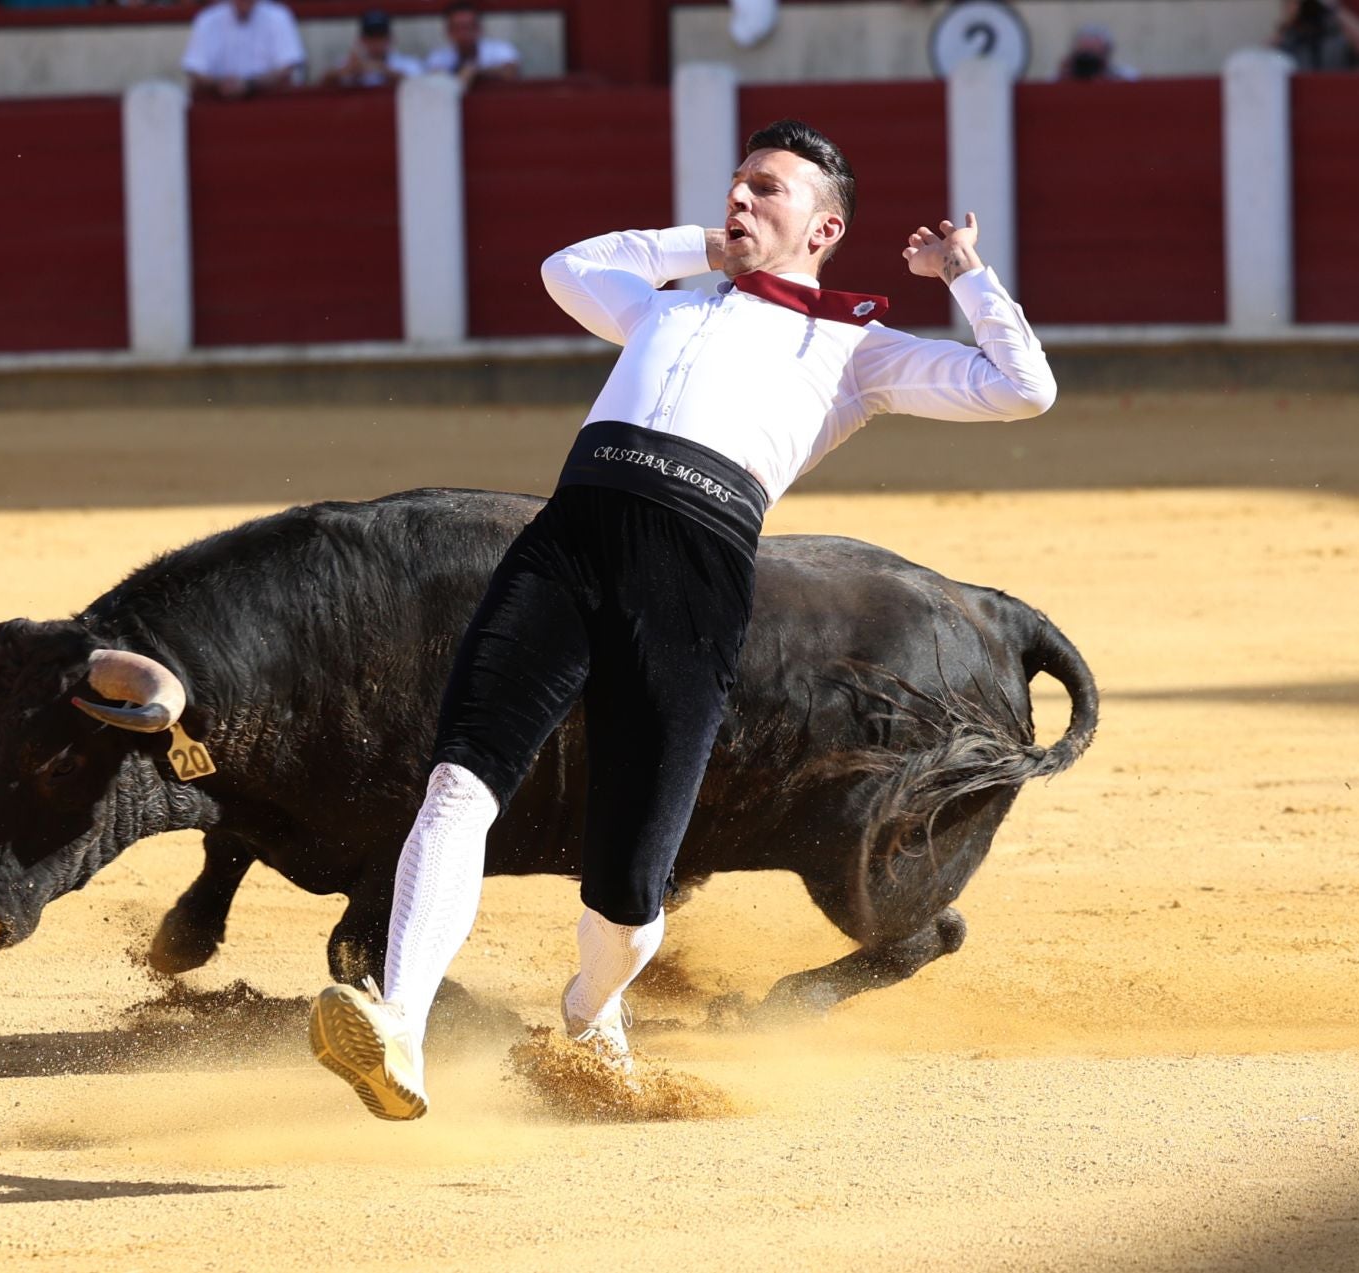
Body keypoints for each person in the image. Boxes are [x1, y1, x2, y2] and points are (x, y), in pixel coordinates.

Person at [308, 119, 1056, 1122]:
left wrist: (966, 276)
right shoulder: (674, 299)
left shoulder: (857, 349)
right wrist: (704, 245)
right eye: (738, 184)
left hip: (694, 580)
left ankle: (590, 1008)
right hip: (569, 537)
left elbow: (1022, 389)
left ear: (825, 228)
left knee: (628, 886)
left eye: (769, 191)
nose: (742, 199)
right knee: (461, 777)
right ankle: (396, 1025)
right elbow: (567, 268)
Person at [181, 0, 305, 100]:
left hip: (269, 104)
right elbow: (195, 69)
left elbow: (287, 68)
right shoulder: (208, 19)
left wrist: (250, 84)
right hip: (219, 105)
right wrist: (219, 84)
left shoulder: (279, 16)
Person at [423, 0, 520, 85]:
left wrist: (475, 71)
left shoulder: (500, 49)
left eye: (468, 27)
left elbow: (511, 72)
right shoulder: (438, 57)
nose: (464, 33)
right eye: (458, 28)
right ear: (449, 32)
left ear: (479, 29)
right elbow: (432, 78)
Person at [322, 8, 422, 89]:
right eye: (371, 37)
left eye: (380, 37)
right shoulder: (351, 63)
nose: (376, 43)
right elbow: (323, 83)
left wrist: (382, 69)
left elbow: (418, 85)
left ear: (391, 39)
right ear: (361, 40)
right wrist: (348, 71)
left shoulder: (406, 64)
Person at [1272, 0, 1359, 71]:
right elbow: (1267, 57)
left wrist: (1333, 7)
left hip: (1340, 95)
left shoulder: (1340, 32)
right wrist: (1289, 20)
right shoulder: (1290, 36)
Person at [1056, 23, 1139, 82]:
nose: (1088, 60)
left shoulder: (1124, 75)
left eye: (1093, 52)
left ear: (1106, 52)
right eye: (1084, 53)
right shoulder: (1065, 75)